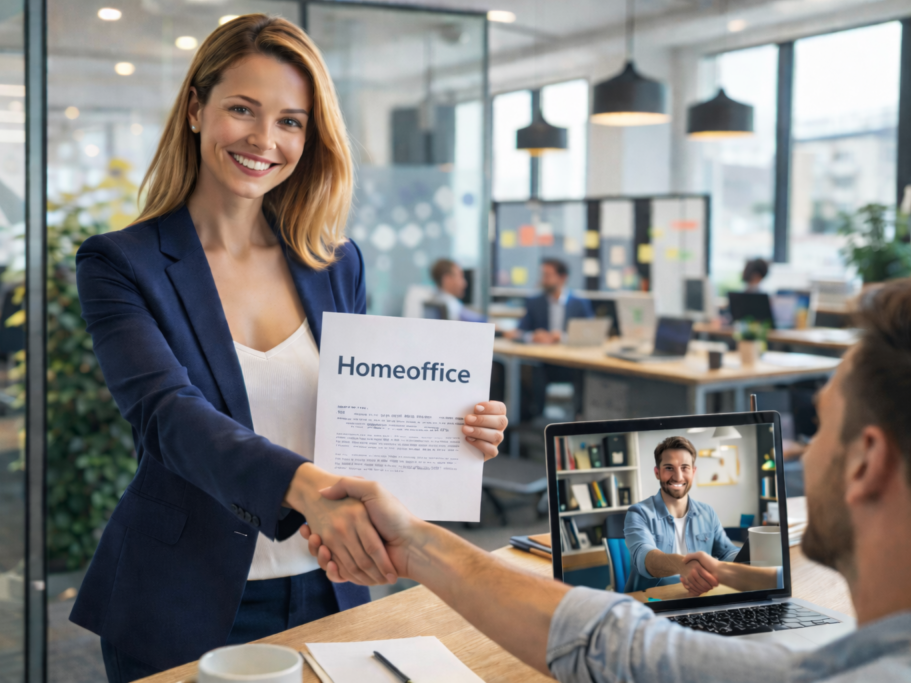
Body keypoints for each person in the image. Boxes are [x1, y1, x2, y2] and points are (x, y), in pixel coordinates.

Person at [69, 15, 508, 683]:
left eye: (290, 121)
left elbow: (361, 412)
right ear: (195, 108)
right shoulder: (120, 263)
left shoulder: (334, 261)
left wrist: (452, 429)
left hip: (332, 581)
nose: (264, 139)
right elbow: (167, 415)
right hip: (180, 594)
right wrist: (303, 488)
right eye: (242, 109)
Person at [303, 279, 911, 681]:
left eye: (820, 423)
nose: (801, 448)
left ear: (866, 462)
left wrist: (413, 544)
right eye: (670, 467)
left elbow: (615, 646)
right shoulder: (656, 514)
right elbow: (657, 568)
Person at [623, 435, 740, 594]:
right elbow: (646, 558)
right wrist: (684, 566)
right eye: (669, 468)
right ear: (657, 472)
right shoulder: (638, 513)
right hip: (653, 605)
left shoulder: (707, 512)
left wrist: (747, 559)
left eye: (685, 467)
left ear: (693, 471)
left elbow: (727, 552)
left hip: (700, 599)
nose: (678, 477)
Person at [507, 258, 593, 343]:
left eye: (547, 276)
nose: (543, 280)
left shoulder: (580, 303)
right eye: (542, 275)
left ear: (562, 278)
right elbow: (519, 332)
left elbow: (590, 334)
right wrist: (532, 336)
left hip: (569, 354)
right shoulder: (534, 302)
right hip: (540, 354)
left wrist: (563, 337)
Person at [429, 258, 485, 322]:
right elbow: (473, 319)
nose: (465, 283)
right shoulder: (450, 304)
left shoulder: (435, 298)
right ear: (447, 279)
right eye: (460, 276)